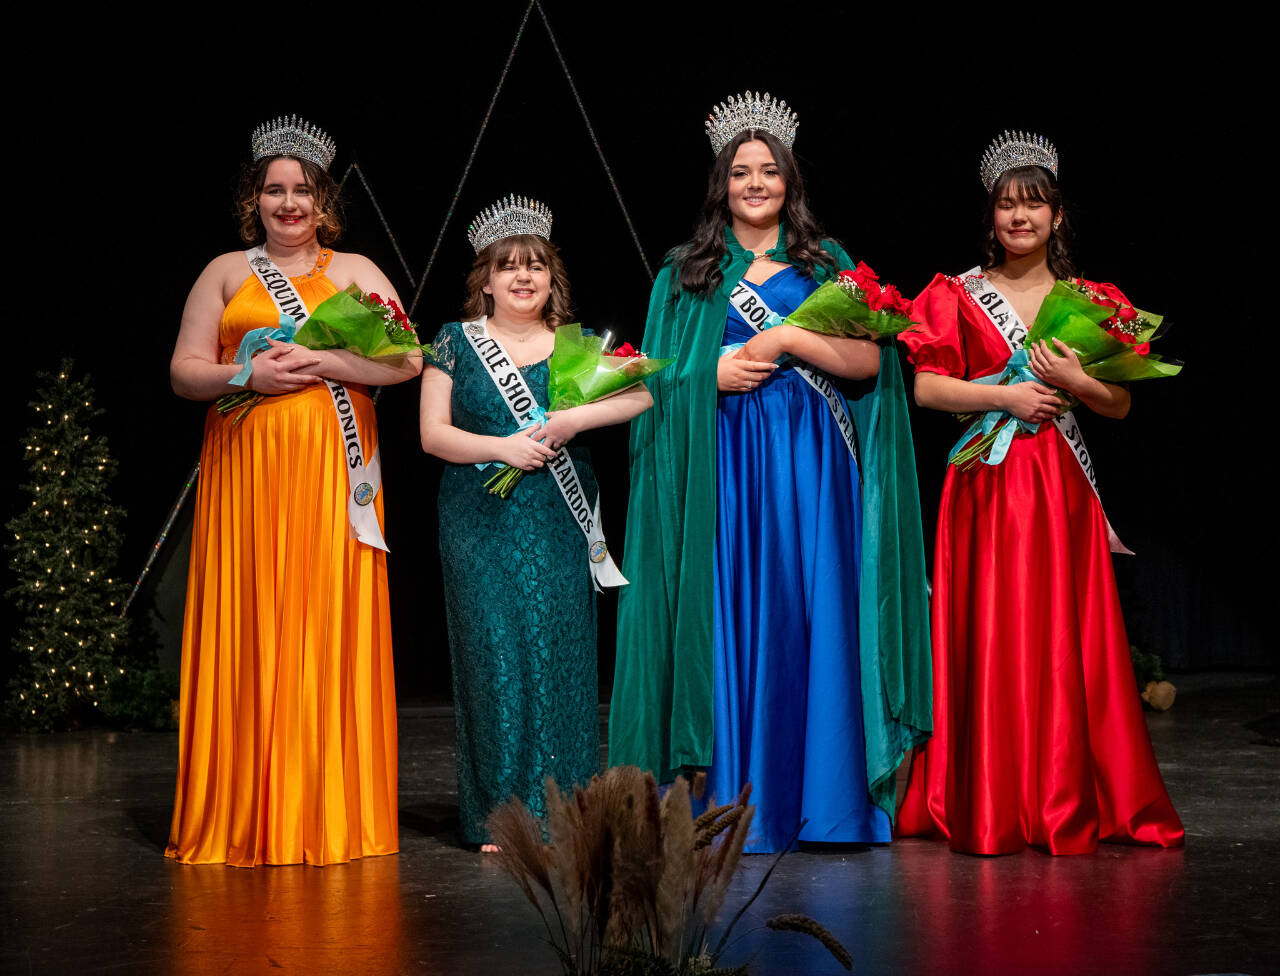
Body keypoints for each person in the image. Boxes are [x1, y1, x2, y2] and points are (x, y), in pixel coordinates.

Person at [609, 93, 932, 853]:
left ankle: (821, 802)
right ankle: (726, 800)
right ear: (721, 183)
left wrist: (787, 334)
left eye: (770, 172)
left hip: (814, 469)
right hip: (720, 464)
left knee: (807, 613)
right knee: (730, 614)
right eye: (742, 172)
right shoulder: (682, 274)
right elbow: (647, 383)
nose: (756, 184)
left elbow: (864, 365)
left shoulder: (830, 264)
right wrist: (704, 375)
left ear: (790, 181)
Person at [896, 131, 1184, 855]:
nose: (1019, 218)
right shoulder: (956, 295)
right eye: (1005, 205)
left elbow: (1118, 404)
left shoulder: (1090, 302)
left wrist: (1081, 384)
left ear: (1058, 214)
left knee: (1062, 643)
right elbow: (927, 389)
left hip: (1059, 489)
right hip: (984, 489)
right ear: (990, 216)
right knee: (989, 635)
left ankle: (1064, 797)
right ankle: (985, 798)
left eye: (1034, 204)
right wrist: (1011, 399)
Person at [167, 116, 419, 866]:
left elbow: (407, 363)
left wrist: (320, 366)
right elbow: (184, 371)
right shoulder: (221, 271)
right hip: (245, 481)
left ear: (322, 200)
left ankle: (325, 814)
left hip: (330, 482)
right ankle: (243, 813)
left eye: (301, 190)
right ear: (255, 198)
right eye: (274, 189)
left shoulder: (357, 272)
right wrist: (248, 373)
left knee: (320, 623)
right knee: (251, 622)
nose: (288, 203)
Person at [419, 196, 653, 850]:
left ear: (552, 278)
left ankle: (565, 813)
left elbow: (641, 394)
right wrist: (502, 448)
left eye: (537, 266)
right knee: (492, 657)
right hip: (478, 516)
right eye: (508, 266)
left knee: (560, 657)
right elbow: (432, 435)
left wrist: (576, 420)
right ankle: (501, 816)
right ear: (485, 279)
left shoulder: (573, 346)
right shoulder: (452, 342)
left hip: (557, 513)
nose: (524, 277)